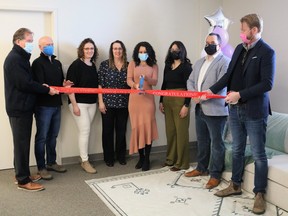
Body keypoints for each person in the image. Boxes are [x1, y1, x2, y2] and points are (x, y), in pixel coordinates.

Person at [210, 14, 275, 215]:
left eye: (243, 29)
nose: (241, 33)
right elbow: (229, 75)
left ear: (254, 30)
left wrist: (240, 94)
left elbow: (267, 84)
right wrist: (211, 90)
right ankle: (235, 185)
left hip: (255, 110)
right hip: (235, 109)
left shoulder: (267, 52)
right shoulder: (239, 49)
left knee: (258, 154)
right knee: (237, 149)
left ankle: (259, 194)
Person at [4, 28, 59, 191]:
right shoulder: (15, 59)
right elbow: (25, 84)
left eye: (31, 41)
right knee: (21, 144)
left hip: (23, 106)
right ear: (18, 41)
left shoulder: (21, 58)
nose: (31, 44)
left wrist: (41, 86)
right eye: (29, 41)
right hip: (19, 108)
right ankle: (23, 181)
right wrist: (45, 89)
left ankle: (21, 173)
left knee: (20, 143)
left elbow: (26, 81)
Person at [185, 33, 230, 189]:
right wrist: (193, 94)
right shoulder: (199, 62)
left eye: (212, 42)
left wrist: (203, 96)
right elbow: (190, 81)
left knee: (217, 144)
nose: (208, 45)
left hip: (216, 110)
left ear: (220, 45)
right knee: (202, 141)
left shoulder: (225, 62)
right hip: (199, 108)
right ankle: (201, 168)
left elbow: (222, 85)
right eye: (206, 42)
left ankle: (215, 174)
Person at [32, 36, 70, 180]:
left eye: (52, 44)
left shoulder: (57, 63)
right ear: (40, 47)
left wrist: (65, 85)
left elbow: (60, 82)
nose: (50, 46)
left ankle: (51, 162)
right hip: (43, 106)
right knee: (41, 137)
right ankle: (41, 167)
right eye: (47, 44)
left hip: (56, 104)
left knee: (53, 136)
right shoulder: (37, 63)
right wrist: (49, 89)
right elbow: (40, 85)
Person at [66, 38, 99, 174]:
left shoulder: (93, 65)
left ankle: (83, 157)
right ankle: (85, 161)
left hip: (92, 104)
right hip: (78, 103)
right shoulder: (75, 65)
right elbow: (69, 87)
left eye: (91, 48)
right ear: (82, 50)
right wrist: (74, 105)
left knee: (85, 131)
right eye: (86, 49)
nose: (89, 51)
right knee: (85, 131)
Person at [159, 41, 192, 171]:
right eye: (172, 49)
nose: (174, 51)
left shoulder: (186, 67)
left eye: (177, 49)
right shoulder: (167, 65)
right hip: (167, 100)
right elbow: (163, 84)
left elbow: (190, 88)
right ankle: (170, 159)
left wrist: (186, 105)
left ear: (182, 50)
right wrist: (161, 100)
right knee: (170, 131)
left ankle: (182, 162)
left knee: (181, 132)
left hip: (180, 100)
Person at [127, 41, 158, 171]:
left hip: (148, 101)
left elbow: (155, 82)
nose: (143, 54)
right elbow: (128, 79)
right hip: (135, 101)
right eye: (140, 52)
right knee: (137, 129)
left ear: (149, 53)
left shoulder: (154, 65)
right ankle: (141, 157)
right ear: (137, 53)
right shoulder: (133, 63)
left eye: (145, 52)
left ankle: (147, 159)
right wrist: (135, 85)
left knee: (147, 129)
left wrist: (146, 78)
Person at [98, 40, 130, 167]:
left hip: (124, 103)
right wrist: (100, 102)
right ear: (112, 51)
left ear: (123, 50)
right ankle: (108, 158)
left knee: (121, 131)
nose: (117, 51)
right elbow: (100, 84)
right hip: (108, 103)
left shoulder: (129, 65)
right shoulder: (105, 65)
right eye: (115, 49)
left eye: (120, 48)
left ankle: (121, 156)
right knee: (107, 131)